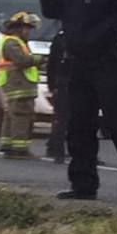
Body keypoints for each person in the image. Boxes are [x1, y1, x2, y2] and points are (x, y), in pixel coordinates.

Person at [40, 0, 117, 199]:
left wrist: (102, 38)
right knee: (78, 126)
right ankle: (83, 185)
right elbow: (50, 10)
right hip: (78, 65)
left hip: (109, 63)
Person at [0, 12, 42, 158]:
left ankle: (9, 146)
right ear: (17, 29)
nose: (28, 32)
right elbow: (22, 60)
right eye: (26, 28)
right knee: (21, 116)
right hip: (19, 86)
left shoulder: (16, 42)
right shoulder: (12, 43)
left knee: (12, 115)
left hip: (18, 85)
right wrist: (39, 59)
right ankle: (19, 150)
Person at [44, 29, 68, 163]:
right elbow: (52, 64)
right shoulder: (61, 39)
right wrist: (52, 86)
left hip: (79, 83)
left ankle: (55, 147)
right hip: (64, 84)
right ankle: (58, 151)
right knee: (62, 119)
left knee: (84, 119)